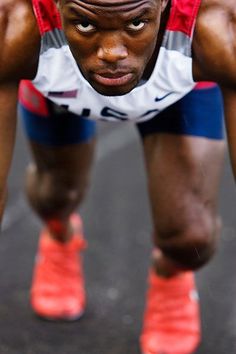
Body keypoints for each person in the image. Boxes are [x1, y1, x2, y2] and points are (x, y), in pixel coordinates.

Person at [0, 0, 235, 352]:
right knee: (56, 195)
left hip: (177, 93)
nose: (112, 53)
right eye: (86, 25)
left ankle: (171, 273)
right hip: (59, 90)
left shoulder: (216, 25)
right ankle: (60, 230)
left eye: (136, 24)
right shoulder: (15, 23)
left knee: (190, 238)